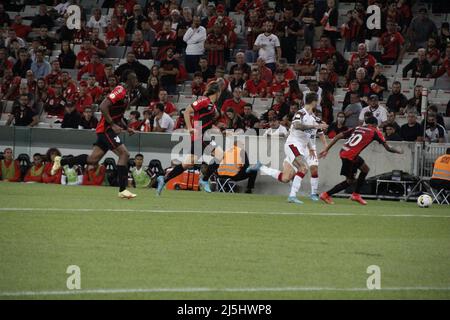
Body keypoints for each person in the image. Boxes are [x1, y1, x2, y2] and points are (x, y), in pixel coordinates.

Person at [51, 71, 140, 199]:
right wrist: (112, 124)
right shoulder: (120, 90)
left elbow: (118, 116)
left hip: (107, 128)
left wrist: (127, 128)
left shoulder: (127, 95)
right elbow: (103, 106)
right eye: (134, 77)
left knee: (92, 160)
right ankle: (122, 189)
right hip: (106, 129)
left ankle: (61, 160)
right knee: (124, 154)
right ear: (128, 79)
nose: (136, 80)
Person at [319, 117, 403, 205]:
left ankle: (356, 194)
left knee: (365, 169)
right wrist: (398, 151)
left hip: (345, 152)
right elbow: (388, 148)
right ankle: (326, 194)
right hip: (350, 156)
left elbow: (338, 136)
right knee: (350, 181)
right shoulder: (375, 131)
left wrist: (326, 149)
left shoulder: (358, 128)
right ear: (375, 124)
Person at [156, 82, 222, 195]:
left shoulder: (212, 105)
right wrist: (190, 128)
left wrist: (219, 130)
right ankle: (204, 180)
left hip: (203, 135)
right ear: (217, 92)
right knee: (220, 155)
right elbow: (187, 111)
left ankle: (164, 179)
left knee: (187, 164)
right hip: (200, 135)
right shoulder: (204, 100)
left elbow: (206, 122)